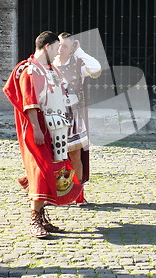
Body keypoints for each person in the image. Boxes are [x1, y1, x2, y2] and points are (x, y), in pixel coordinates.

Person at [3, 31, 83, 238]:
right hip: (37, 128)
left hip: (52, 127)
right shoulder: (31, 70)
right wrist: (37, 129)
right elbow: (30, 102)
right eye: (56, 48)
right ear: (47, 47)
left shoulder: (47, 69)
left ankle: (41, 215)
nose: (58, 52)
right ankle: (34, 220)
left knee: (50, 169)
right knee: (41, 170)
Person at [54, 32, 102, 204]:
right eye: (58, 45)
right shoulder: (50, 65)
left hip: (73, 115)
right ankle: (54, 193)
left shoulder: (78, 64)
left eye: (65, 46)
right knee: (56, 157)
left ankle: (78, 194)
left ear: (72, 47)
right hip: (54, 116)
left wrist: (79, 51)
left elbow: (96, 69)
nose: (60, 49)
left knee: (75, 155)